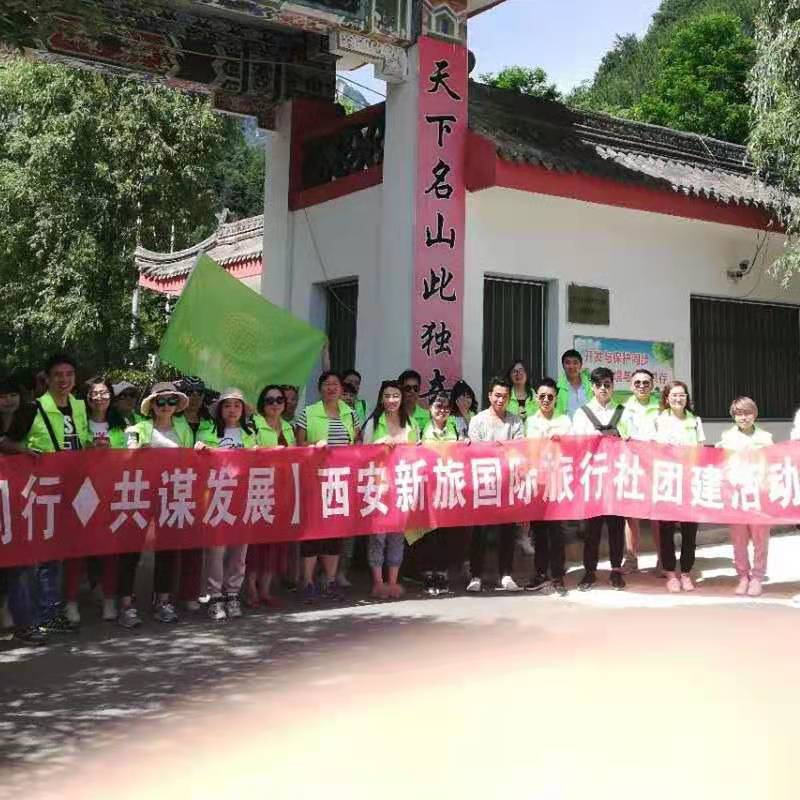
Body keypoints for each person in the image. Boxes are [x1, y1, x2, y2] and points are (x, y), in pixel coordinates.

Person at [1, 353, 91, 638]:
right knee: (31, 559)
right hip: (35, 494)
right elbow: (5, 443)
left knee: (55, 556)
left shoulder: (79, 406)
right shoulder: (32, 409)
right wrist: (24, 450)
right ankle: (32, 618)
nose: (64, 380)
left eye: (69, 374)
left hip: (68, 492)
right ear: (48, 378)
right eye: (58, 375)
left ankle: (49, 612)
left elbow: (80, 443)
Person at [63, 377, 128, 625]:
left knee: (110, 550)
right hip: (81, 493)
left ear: (111, 397)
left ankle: (109, 599)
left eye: (104, 393)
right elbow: (68, 455)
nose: (99, 397)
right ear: (87, 398)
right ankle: (70, 602)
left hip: (111, 493)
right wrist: (87, 450)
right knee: (77, 550)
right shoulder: (77, 422)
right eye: (94, 393)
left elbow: (130, 457)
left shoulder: (121, 424)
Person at [126, 382, 193, 623]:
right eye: (160, 401)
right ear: (152, 405)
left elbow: (190, 460)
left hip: (173, 494)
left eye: (171, 401)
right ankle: (126, 605)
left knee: (168, 550)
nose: (166, 406)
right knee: (130, 549)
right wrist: (137, 450)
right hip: (140, 494)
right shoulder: (138, 428)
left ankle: (163, 601)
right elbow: (127, 454)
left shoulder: (184, 428)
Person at [295, 371, 360, 602]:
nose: (331, 388)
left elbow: (357, 443)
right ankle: (308, 581)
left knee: (335, 532)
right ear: (320, 388)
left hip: (340, 481)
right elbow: (299, 445)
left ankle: (330, 580)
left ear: (341, 389)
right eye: (327, 384)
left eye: (335, 384)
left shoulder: (350, 414)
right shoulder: (308, 412)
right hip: (314, 479)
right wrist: (314, 445)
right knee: (312, 532)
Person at [195, 387, 257, 620]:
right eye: (228, 405)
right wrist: (200, 450)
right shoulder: (206, 430)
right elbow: (197, 462)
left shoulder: (250, 433)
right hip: (216, 495)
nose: (232, 410)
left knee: (240, 549)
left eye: (237, 405)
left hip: (244, 496)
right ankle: (215, 596)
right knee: (216, 549)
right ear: (220, 409)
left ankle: (232, 594)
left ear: (243, 410)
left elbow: (260, 461)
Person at [571, 367, 627, 591]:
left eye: (607, 384)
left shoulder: (623, 412)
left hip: (616, 479)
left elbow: (632, 443)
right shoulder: (581, 414)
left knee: (616, 528)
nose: (603, 388)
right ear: (592, 387)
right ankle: (589, 571)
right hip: (592, 480)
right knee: (591, 529)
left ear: (613, 386)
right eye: (599, 385)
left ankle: (616, 570)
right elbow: (575, 446)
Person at [466, 376, 523, 593]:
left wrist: (502, 450)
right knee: (479, 532)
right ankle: (476, 575)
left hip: (507, 483)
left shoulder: (515, 421)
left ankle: (506, 574)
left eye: (505, 396)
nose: (501, 400)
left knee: (508, 531)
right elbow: (475, 451)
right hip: (484, 483)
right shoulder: (477, 420)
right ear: (489, 395)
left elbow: (518, 448)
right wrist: (498, 449)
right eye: (497, 395)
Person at [363, 380, 418, 598]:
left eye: (396, 395)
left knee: (397, 535)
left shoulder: (411, 423)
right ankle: (378, 583)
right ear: (381, 399)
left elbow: (418, 453)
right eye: (387, 396)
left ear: (402, 398)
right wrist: (379, 445)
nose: (392, 400)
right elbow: (362, 454)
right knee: (377, 537)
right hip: (378, 487)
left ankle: (393, 582)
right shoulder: (373, 423)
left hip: (402, 486)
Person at [716, 397, 773, 597]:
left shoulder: (766, 438)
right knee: (739, 539)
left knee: (760, 539)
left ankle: (757, 577)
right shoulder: (727, 437)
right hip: (736, 496)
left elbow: (773, 464)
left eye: (747, 413)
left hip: (759, 496)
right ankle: (743, 576)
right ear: (733, 416)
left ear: (754, 414)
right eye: (739, 413)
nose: (743, 417)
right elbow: (720, 463)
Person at [247, 385, 296, 608]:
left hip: (283, 489)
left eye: (279, 400)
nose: (275, 404)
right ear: (262, 404)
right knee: (256, 543)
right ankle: (250, 587)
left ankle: (266, 589)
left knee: (276, 541)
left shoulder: (288, 427)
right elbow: (248, 452)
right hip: (258, 488)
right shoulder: (253, 424)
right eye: (269, 400)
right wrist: (269, 453)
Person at [654, 380, 706, 593]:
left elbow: (701, 450)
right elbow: (653, 450)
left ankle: (685, 572)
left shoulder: (695, 421)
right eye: (674, 395)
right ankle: (669, 572)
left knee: (689, 529)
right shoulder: (659, 420)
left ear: (687, 398)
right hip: (666, 480)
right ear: (667, 398)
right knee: (666, 529)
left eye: (682, 395)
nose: (678, 399)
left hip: (689, 481)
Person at [524, 377, 571, 596]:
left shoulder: (565, 421)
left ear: (556, 398)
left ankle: (558, 575)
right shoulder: (530, 422)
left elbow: (573, 449)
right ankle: (540, 573)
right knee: (539, 532)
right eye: (542, 396)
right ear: (536, 398)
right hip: (538, 482)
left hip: (558, 482)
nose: (545, 400)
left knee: (557, 532)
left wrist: (562, 441)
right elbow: (525, 451)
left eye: (550, 397)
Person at [417, 392, 464, 594]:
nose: (442, 410)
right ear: (430, 408)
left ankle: (443, 574)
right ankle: (428, 575)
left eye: (446, 407)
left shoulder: (456, 427)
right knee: (428, 534)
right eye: (438, 406)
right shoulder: (421, 429)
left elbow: (465, 452)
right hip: (428, 489)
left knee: (446, 534)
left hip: (449, 489)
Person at [175, 376, 213, 611]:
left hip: (203, 489)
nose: (195, 397)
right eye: (190, 392)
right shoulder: (172, 418)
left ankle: (191, 593)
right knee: (171, 544)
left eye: (199, 392)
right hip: (174, 486)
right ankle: (165, 594)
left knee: (196, 544)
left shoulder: (211, 421)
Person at [619, 369, 661, 574]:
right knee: (631, 515)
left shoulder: (662, 408)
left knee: (658, 515)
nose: (642, 386)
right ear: (631, 385)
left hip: (656, 468)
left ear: (652, 385)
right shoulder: (623, 409)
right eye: (637, 383)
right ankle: (631, 558)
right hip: (632, 467)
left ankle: (663, 559)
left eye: (646, 383)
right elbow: (621, 436)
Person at [555, 349, 593, 419]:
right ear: (563, 366)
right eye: (568, 363)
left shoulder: (592, 386)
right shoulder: (557, 388)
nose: (571, 366)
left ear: (580, 365)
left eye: (575, 363)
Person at [398, 369, 431, 434]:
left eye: (415, 388)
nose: (412, 391)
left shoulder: (427, 416)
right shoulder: (393, 415)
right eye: (408, 388)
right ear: (400, 390)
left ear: (419, 390)